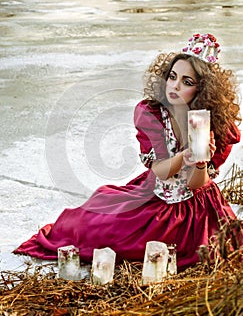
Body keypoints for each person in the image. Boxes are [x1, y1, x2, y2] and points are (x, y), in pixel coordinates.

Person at [14, 33, 242, 271]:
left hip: (197, 209)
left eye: (187, 82)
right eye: (172, 77)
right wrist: (184, 157)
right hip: (156, 194)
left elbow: (197, 185)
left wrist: (200, 162)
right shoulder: (153, 114)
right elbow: (161, 172)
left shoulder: (207, 124)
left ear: (201, 90)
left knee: (208, 252)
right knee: (99, 228)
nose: (174, 86)